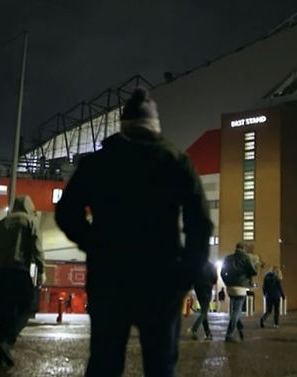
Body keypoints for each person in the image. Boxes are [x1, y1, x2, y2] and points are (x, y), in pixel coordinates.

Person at [55, 87, 212, 377]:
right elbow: (199, 224)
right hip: (162, 276)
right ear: (155, 125)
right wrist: (187, 272)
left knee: (104, 360)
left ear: (123, 125)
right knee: (161, 364)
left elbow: (66, 212)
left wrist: (92, 243)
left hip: (109, 274)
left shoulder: (98, 163)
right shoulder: (176, 161)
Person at [0, 195, 45, 369]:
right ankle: (7, 341)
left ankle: (2, 355)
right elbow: (36, 246)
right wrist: (41, 270)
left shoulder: (3, 222)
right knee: (29, 305)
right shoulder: (29, 221)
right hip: (19, 269)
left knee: (7, 311)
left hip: (1, 272)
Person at [221, 242, 258, 341]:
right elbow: (254, 272)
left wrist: (227, 282)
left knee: (233, 310)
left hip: (230, 286)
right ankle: (229, 334)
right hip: (241, 287)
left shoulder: (228, 258)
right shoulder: (246, 258)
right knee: (236, 311)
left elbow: (222, 273)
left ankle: (240, 326)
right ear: (243, 249)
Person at [188, 261, 218, 340]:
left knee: (204, 311)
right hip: (207, 289)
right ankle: (194, 329)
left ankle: (208, 333)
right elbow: (215, 278)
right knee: (204, 311)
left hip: (198, 289)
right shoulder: (211, 266)